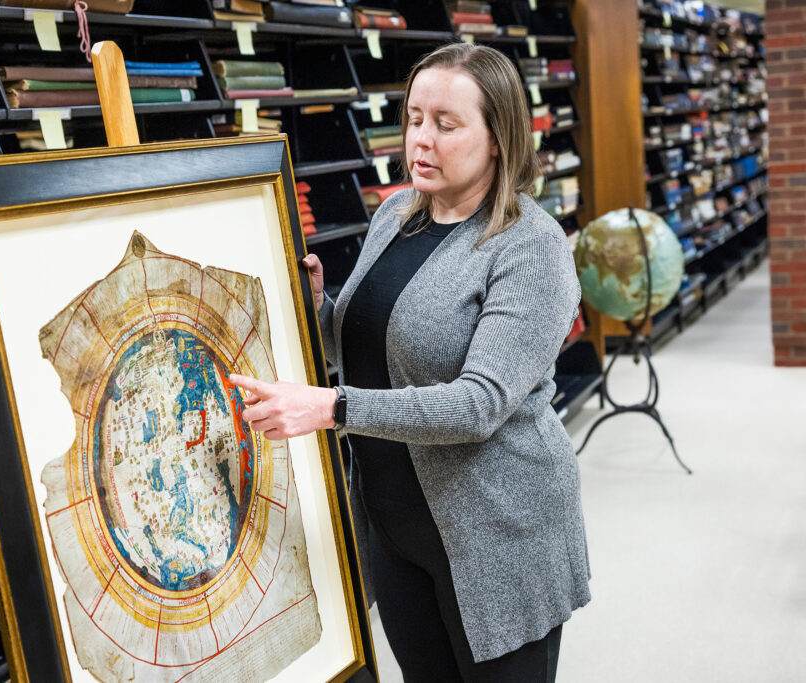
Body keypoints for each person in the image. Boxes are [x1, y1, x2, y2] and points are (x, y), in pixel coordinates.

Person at [228, 42, 590, 682]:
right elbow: (367, 349)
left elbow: (478, 404)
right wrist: (319, 309)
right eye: (414, 117)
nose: (420, 139)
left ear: (499, 137)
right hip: (395, 525)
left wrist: (331, 408)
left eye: (445, 125)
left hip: (496, 533)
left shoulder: (531, 247)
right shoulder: (396, 213)